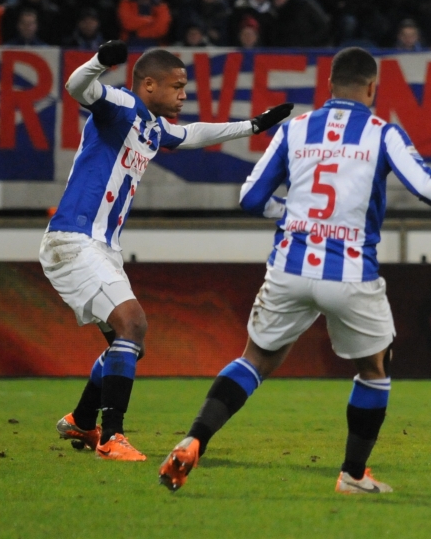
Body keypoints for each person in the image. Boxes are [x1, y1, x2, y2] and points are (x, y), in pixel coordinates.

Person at [157, 47, 431, 493]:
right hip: (350, 271)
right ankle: (353, 475)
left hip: (289, 267)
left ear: (328, 86)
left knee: (255, 360)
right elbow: (425, 185)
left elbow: (250, 199)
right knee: (374, 369)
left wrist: (290, 212)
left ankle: (194, 439)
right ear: (373, 89)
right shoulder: (381, 133)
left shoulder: (294, 128)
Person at [44, 41, 292, 461]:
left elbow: (194, 134)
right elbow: (76, 87)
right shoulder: (120, 104)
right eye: (176, 87)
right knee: (133, 326)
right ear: (148, 85)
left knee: (123, 343)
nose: (183, 95)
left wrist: (251, 126)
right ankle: (111, 437)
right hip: (74, 239)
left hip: (102, 247)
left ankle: (84, 421)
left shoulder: (153, 127)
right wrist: (102, 61)